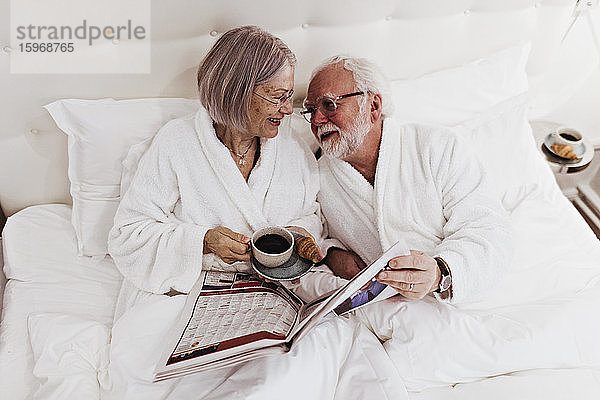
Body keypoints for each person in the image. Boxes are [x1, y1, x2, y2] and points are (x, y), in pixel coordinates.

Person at [106, 28, 404, 400]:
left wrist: (301, 234)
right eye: (278, 98)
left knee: (298, 366)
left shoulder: (294, 142)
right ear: (237, 93)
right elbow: (128, 236)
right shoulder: (176, 144)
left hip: (275, 303)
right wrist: (201, 241)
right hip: (189, 301)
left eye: (288, 98)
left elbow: (314, 215)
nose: (288, 110)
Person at [302, 55, 514, 305]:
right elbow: (310, 234)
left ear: (373, 106)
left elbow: (489, 231)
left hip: (456, 300)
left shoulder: (437, 147)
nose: (317, 121)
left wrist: (440, 273)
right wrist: (332, 254)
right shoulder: (315, 175)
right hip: (384, 312)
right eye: (311, 110)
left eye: (329, 105)